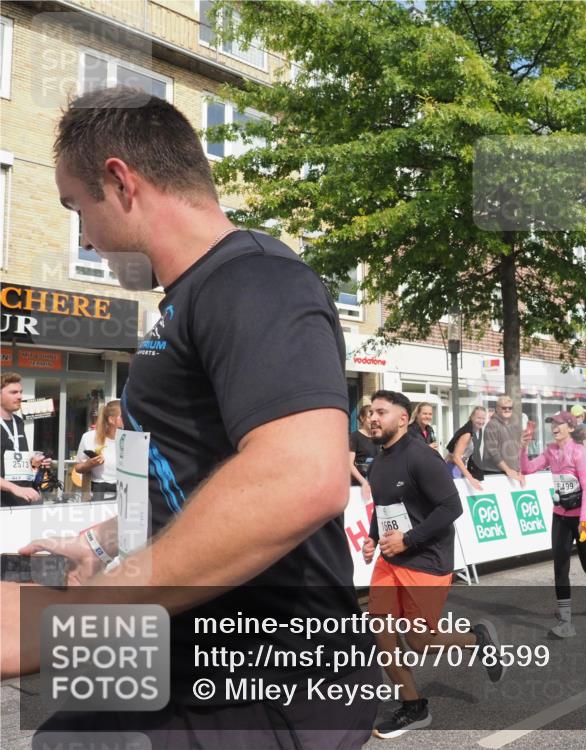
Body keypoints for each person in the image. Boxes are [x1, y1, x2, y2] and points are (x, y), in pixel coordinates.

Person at [3, 87, 378, 746]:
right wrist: (99, 544)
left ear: (121, 182)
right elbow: (189, 480)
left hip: (270, 686)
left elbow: (301, 477)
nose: (84, 237)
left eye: (77, 207)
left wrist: (86, 614)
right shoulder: (189, 298)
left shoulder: (255, 279)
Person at [362, 391, 504, 738]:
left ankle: (476, 639)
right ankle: (414, 707)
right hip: (390, 560)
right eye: (371, 412)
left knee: (420, 641)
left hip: (426, 559)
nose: (373, 418)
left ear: (403, 418)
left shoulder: (421, 457)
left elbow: (451, 507)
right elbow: (384, 507)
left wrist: (409, 540)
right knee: (381, 634)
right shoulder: (378, 462)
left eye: (381, 412)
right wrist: (372, 538)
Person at [520, 411, 586, 638]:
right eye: (551, 423)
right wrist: (523, 448)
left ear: (569, 427)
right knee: (560, 567)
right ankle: (566, 623)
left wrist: (583, 520)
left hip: (585, 516)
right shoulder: (551, 451)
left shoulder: (579, 452)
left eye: (558, 423)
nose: (554, 427)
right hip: (561, 515)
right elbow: (527, 469)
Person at [1, 373, 52, 507]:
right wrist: (15, 488)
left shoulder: (18, 422)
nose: (19, 396)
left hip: (22, 500)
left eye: (20, 392)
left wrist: (34, 464)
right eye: (13, 392)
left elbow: (14, 459)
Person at [73, 400, 123, 502]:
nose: (128, 418)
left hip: (125, 493)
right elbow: (77, 468)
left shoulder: (131, 438)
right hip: (99, 494)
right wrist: (89, 464)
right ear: (111, 420)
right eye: (123, 416)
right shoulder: (89, 437)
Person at [480, 395, 524, 485]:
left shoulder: (515, 425)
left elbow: (518, 449)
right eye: (504, 408)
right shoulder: (492, 425)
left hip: (513, 472)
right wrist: (508, 470)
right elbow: (492, 451)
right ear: (497, 408)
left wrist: (520, 469)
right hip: (495, 472)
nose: (507, 410)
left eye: (510, 408)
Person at [445, 406, 486, 491]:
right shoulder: (467, 434)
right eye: (478, 418)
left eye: (483, 418)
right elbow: (456, 457)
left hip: (459, 468)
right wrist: (470, 478)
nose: (481, 421)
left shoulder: (476, 431)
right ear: (471, 417)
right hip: (453, 468)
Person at [349, 403, 378, 500]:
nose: (373, 420)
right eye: (370, 417)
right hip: (359, 486)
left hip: (375, 484)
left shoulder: (378, 437)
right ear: (362, 418)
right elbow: (349, 464)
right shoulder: (354, 437)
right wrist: (364, 482)